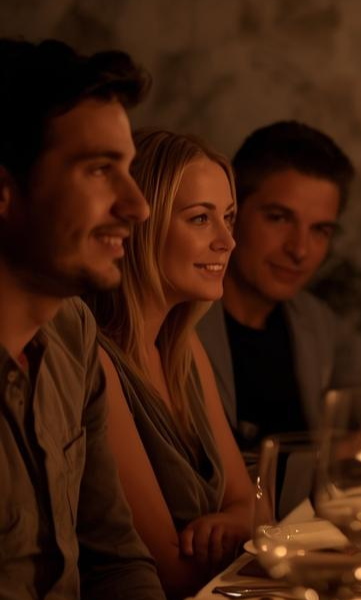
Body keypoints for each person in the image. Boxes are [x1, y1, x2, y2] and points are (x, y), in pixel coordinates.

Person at [0, 38, 165, 600]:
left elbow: (116, 562)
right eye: (99, 170)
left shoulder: (72, 334)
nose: (137, 206)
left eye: (129, 169)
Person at [85, 129, 253, 599]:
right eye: (200, 218)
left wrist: (238, 521)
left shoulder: (182, 349)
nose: (227, 242)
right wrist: (246, 532)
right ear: (139, 224)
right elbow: (170, 573)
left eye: (229, 218)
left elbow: (250, 504)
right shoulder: (95, 362)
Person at [195, 121, 361, 453]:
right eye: (279, 218)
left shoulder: (317, 322)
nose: (299, 250)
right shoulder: (178, 325)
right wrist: (335, 461)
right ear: (232, 212)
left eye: (320, 230)